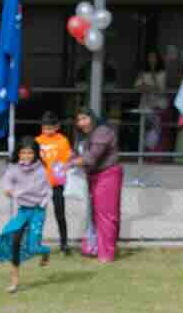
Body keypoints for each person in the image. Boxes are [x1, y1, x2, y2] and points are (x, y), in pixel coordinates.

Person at [0, 136, 52, 292]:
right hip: (23, 211)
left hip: (38, 211)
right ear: (18, 154)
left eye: (30, 153)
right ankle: (14, 280)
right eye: (23, 153)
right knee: (14, 239)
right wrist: (7, 189)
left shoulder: (41, 170)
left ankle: (46, 251)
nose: (26, 156)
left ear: (35, 154)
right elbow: (5, 181)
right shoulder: (14, 168)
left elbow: (45, 191)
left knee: (34, 247)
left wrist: (41, 203)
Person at [71, 106, 123, 262]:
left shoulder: (103, 132)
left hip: (108, 175)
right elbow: (77, 154)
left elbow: (91, 157)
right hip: (92, 176)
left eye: (85, 118)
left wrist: (70, 163)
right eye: (79, 119)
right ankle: (95, 248)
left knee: (106, 215)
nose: (82, 122)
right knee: (94, 215)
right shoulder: (82, 136)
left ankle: (106, 254)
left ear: (92, 118)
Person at [35, 113, 73, 255]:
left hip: (57, 183)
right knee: (38, 214)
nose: (47, 131)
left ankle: (64, 243)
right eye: (44, 128)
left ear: (57, 127)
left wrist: (64, 167)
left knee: (60, 214)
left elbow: (67, 160)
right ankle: (35, 242)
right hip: (40, 183)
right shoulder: (38, 140)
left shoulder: (63, 140)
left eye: (50, 128)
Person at [136, 49, 171, 156]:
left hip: (159, 105)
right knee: (146, 128)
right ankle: (146, 152)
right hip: (145, 105)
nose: (151, 60)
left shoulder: (162, 73)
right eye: (150, 58)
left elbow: (160, 89)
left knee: (156, 127)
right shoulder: (142, 73)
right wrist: (149, 87)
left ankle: (152, 150)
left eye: (154, 58)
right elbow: (138, 87)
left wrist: (150, 81)